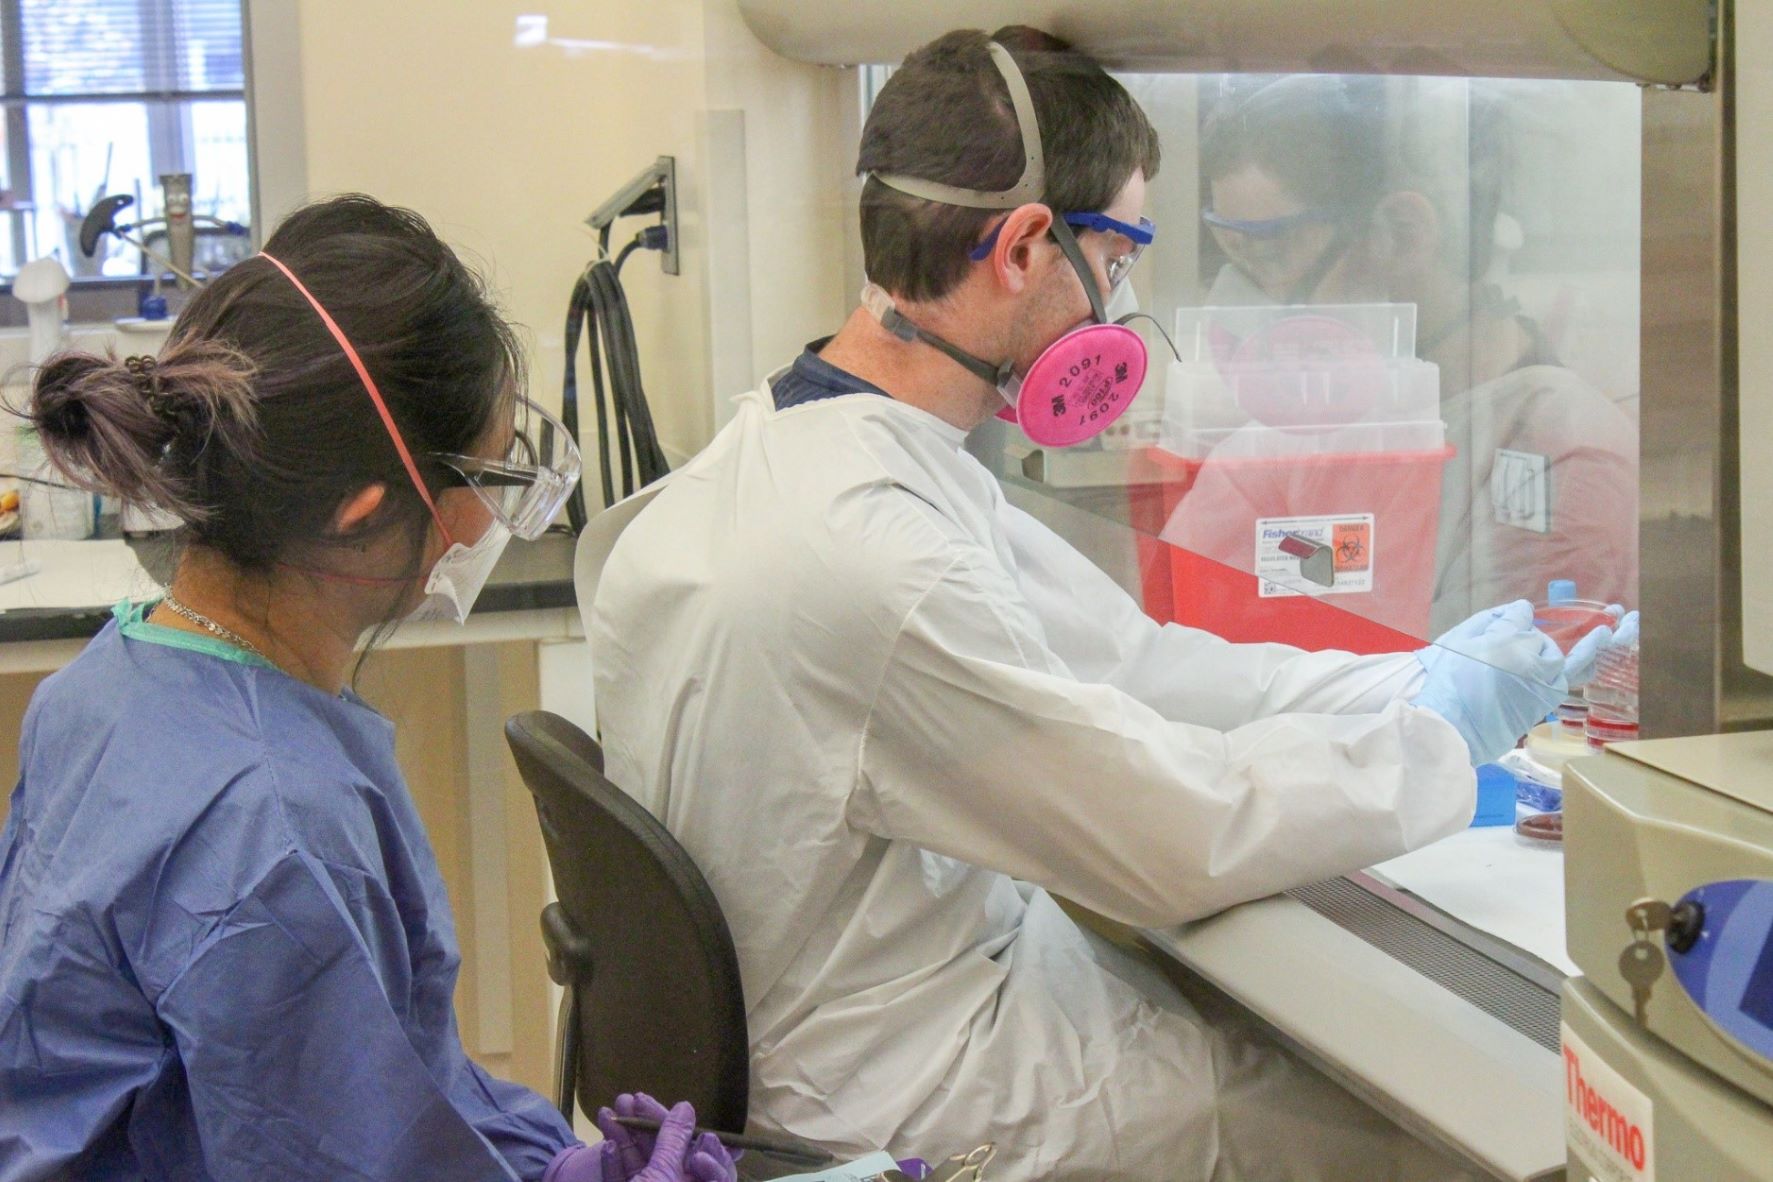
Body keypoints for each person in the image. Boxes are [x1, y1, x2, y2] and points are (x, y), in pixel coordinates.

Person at [586, 29, 1608, 1181]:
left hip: (876, 1014)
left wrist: (1414, 680)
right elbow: (1175, 835)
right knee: (1431, 1133)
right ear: (1025, 247)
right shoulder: (873, 554)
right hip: (905, 1091)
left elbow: (1137, 664)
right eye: (1117, 259)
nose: (1119, 305)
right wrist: (1435, 753)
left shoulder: (795, 448)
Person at [0, 195, 734, 1182]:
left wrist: (550, 1163)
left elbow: (389, 1085)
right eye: (488, 475)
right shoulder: (273, 821)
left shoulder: (109, 685)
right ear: (362, 511)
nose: (483, 529)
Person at [1185, 74, 1639, 633]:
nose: (1247, 300)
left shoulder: (1558, 446)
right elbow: (1193, 632)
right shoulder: (1308, 427)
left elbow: (1486, 692)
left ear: (1402, 234)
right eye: (1237, 258)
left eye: (1273, 258)